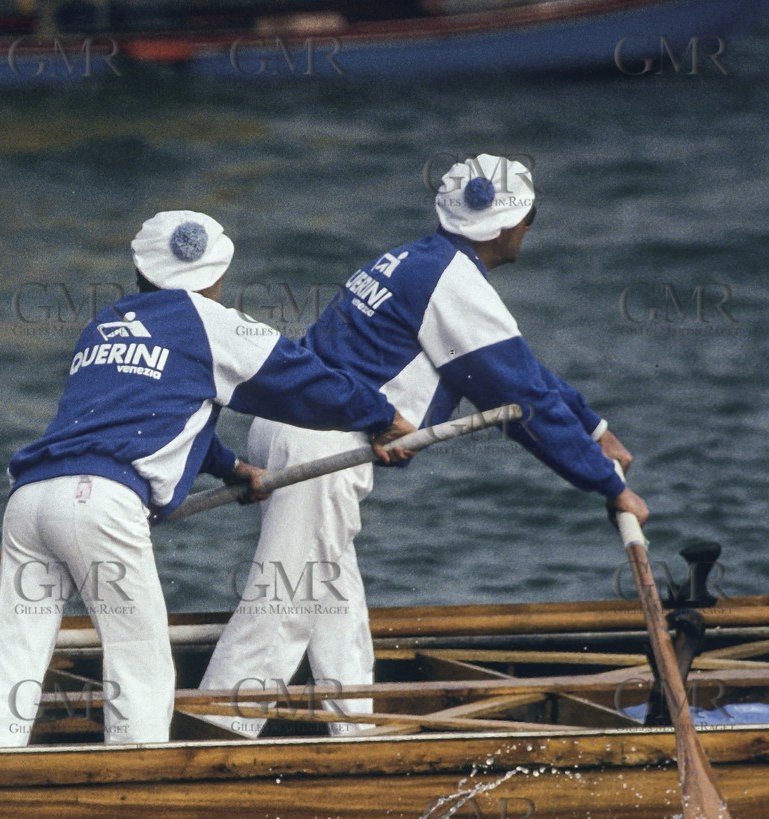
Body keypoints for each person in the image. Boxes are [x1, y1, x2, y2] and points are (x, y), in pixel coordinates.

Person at [199, 154, 647, 738]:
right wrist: (609, 486)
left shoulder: (417, 260)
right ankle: (210, 734)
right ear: (508, 227)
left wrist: (592, 427)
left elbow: (521, 369)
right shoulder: (454, 283)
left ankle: (354, 733)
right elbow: (521, 405)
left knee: (334, 600)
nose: (531, 229)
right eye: (532, 217)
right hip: (322, 450)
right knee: (285, 599)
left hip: (296, 432)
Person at [0, 210, 416, 750]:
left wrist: (234, 468)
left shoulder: (104, 323)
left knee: (14, 659)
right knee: (140, 662)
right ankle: (140, 796)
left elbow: (143, 418)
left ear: (141, 272)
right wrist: (380, 417)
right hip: (100, 505)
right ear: (216, 277)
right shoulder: (212, 321)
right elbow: (303, 381)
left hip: (30, 500)